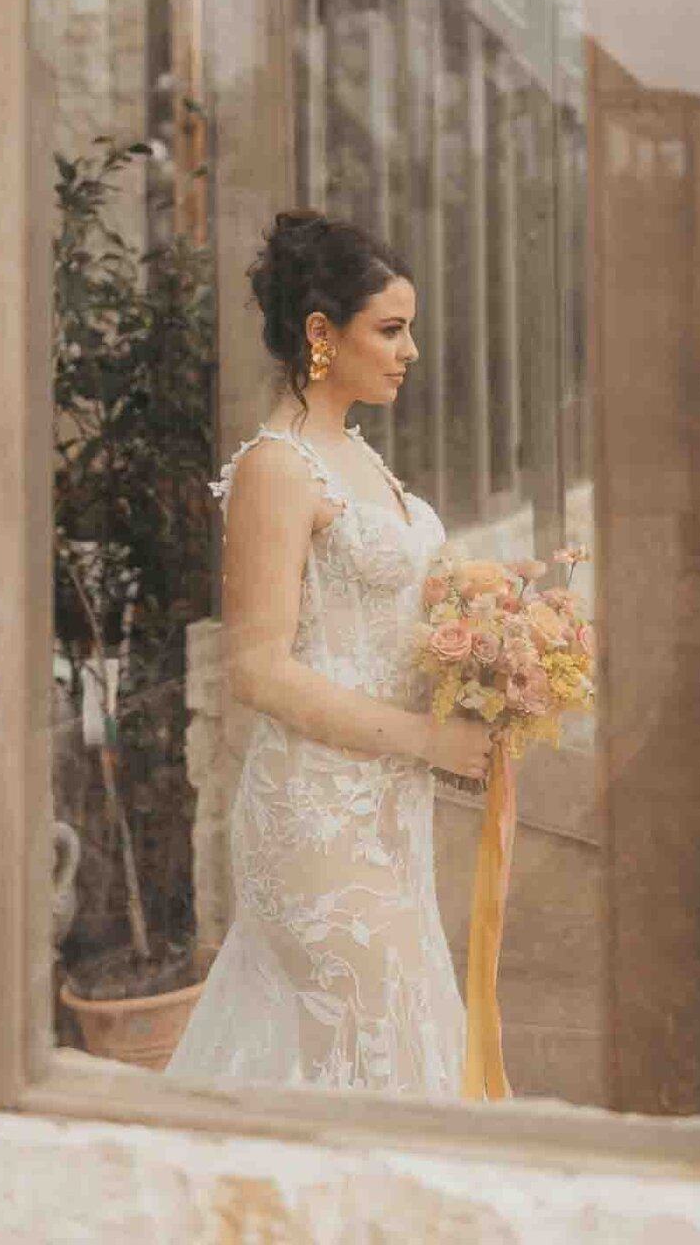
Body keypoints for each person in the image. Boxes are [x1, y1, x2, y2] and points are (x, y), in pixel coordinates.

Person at [165, 210, 493, 1095]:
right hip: (315, 814)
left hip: (392, 812)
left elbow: (393, 615)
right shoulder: (279, 469)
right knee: (375, 1036)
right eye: (389, 329)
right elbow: (259, 669)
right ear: (321, 333)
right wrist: (429, 739)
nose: (410, 350)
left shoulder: (359, 458)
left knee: (401, 1034)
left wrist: (504, 630)